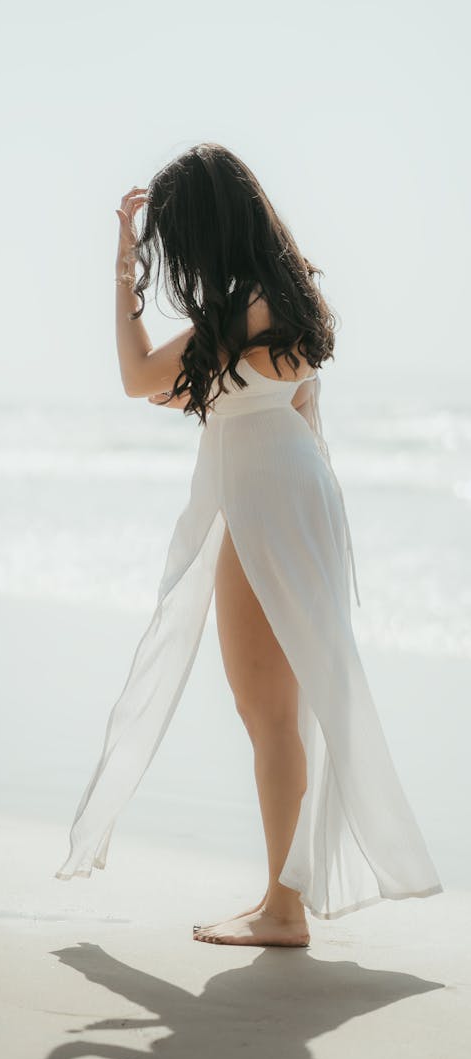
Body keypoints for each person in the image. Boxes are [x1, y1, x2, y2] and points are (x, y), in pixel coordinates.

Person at [56, 143, 442, 947]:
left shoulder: (240, 312)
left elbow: (137, 377)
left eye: (180, 237)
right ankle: (281, 898)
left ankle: (283, 909)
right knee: (277, 710)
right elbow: (232, 395)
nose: (178, 258)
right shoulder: (281, 298)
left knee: (268, 711)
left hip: (269, 499)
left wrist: (120, 270)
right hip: (291, 493)